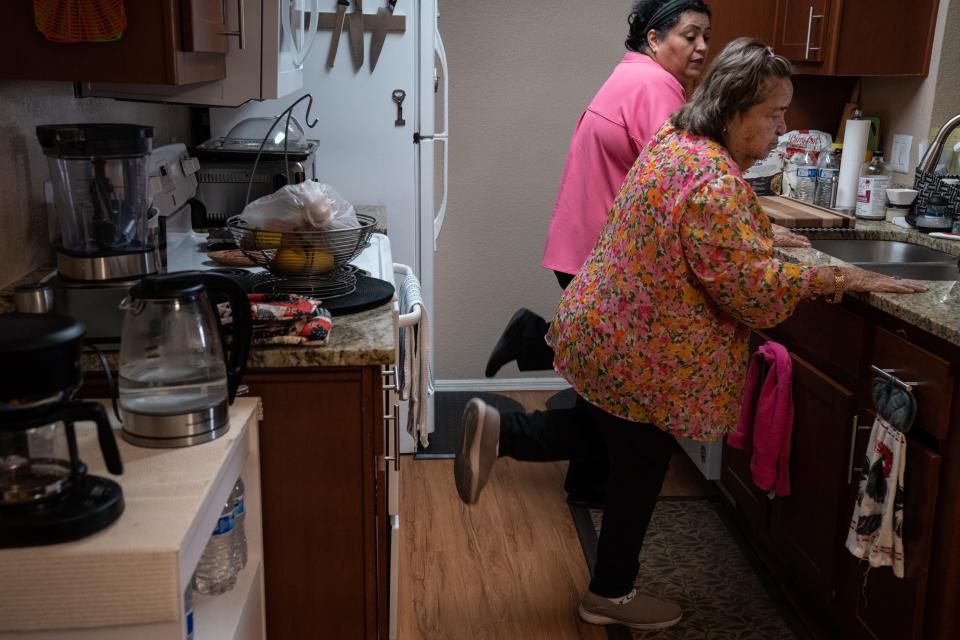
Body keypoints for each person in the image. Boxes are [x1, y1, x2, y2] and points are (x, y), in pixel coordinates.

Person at [454, 38, 927, 631]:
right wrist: (837, 275)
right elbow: (752, 291)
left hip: (607, 334)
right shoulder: (716, 182)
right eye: (774, 114)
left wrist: (761, 233)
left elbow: (696, 228)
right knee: (639, 465)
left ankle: (503, 429)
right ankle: (609, 594)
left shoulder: (678, 143)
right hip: (644, 356)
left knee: (610, 440)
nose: (782, 129)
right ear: (734, 112)